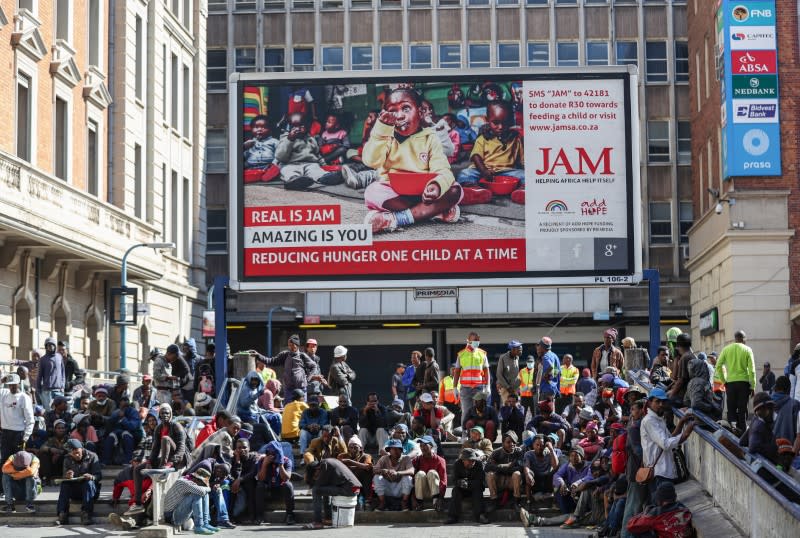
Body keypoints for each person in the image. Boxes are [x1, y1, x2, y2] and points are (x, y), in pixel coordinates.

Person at [361, 88, 462, 233]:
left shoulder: (430, 138)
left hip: (427, 193)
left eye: (406, 108)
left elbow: (442, 170)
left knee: (455, 190)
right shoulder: (386, 136)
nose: (400, 115)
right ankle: (432, 212)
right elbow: (371, 161)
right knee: (372, 192)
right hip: (397, 194)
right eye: (393, 111)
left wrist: (437, 186)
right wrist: (381, 131)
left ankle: (394, 219)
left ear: (420, 113)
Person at [456, 100, 524, 203]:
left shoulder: (515, 139)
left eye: (505, 123)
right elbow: (476, 156)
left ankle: (523, 192)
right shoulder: (483, 138)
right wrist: (484, 170)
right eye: (496, 123)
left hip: (507, 172)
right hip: (483, 171)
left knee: (525, 175)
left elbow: (523, 161)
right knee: (465, 174)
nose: (501, 127)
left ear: (511, 121)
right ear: (487, 120)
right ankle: (474, 190)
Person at [641, 388, 695, 497]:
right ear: (650, 402)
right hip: (658, 473)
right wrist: (685, 434)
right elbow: (666, 444)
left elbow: (669, 438)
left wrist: (681, 423)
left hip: (663, 471)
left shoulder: (658, 419)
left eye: (663, 402)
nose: (661, 404)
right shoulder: (649, 421)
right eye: (657, 401)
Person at [254, 335, 323, 401]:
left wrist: (308, 379)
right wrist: (258, 356)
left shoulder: (302, 356)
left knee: (301, 409)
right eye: (289, 345)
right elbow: (271, 361)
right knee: (288, 407)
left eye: (292, 345)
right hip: (289, 389)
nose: (290, 347)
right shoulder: (284, 355)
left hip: (301, 388)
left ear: (297, 345)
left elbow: (314, 366)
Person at [716, 330, 757, 434]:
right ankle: (743, 431)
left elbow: (718, 366)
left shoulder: (726, 349)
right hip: (744, 383)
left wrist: (724, 381)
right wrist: (753, 386)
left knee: (731, 408)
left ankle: (732, 429)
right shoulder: (747, 350)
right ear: (744, 339)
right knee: (743, 409)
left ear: (735, 338)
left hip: (730, 383)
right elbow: (752, 370)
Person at [304, 458, 361, 530]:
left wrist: (312, 481)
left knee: (316, 490)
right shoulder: (328, 462)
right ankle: (328, 519)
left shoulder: (325, 465)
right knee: (323, 489)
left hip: (348, 489)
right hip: (352, 488)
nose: (316, 476)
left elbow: (318, 485)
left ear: (317, 469)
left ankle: (317, 522)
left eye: (314, 474)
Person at [57, 438, 102, 525]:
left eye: (78, 452)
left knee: (88, 483)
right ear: (70, 453)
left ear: (82, 448)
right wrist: (67, 476)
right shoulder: (67, 459)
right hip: (75, 490)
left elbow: (99, 476)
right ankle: (62, 514)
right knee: (65, 484)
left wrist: (92, 477)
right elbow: (64, 476)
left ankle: (86, 514)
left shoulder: (93, 456)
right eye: (73, 454)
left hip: (90, 491)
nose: (76, 455)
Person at [626, 482, 694, 538]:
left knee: (638, 533)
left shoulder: (656, 514)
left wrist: (646, 512)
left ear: (659, 499)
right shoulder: (683, 509)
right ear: (674, 497)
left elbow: (630, 526)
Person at [453, 332, 490, 432]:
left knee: (480, 412)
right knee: (466, 412)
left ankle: (479, 433)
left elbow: (486, 371)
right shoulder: (461, 354)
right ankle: (465, 435)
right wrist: (455, 387)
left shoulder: (482, 353)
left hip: (478, 387)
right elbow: (457, 371)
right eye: (475, 340)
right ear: (468, 340)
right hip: (465, 388)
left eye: (478, 340)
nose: (477, 342)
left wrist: (488, 386)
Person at [621, 399, 647, 538]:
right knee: (633, 506)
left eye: (633, 409)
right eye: (632, 409)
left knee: (635, 506)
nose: (632, 412)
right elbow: (638, 450)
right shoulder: (634, 427)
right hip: (637, 471)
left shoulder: (636, 425)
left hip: (636, 471)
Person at [253, 440, 295, 526]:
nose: (271, 454)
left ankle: (290, 514)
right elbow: (260, 478)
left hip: (280, 489)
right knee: (259, 485)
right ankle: (259, 516)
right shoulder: (262, 461)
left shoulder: (286, 461)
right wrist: (264, 465)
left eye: (274, 452)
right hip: (268, 488)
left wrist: (280, 464)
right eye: (269, 452)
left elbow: (286, 478)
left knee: (288, 485)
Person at [163, 468, 216, 534]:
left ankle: (205, 523)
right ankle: (198, 526)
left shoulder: (188, 480)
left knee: (205, 494)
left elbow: (203, 491)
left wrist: (206, 488)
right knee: (197, 494)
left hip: (178, 512)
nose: (203, 485)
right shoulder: (185, 483)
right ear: (197, 479)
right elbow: (201, 491)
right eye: (202, 483)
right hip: (171, 517)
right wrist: (209, 488)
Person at [447, 448, 489, 525]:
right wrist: (460, 482)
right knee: (455, 491)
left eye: (473, 460)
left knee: (478, 491)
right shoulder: (457, 464)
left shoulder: (479, 464)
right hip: (462, 488)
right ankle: (453, 516)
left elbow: (481, 481)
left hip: (475, 487)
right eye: (469, 461)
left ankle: (480, 515)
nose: (472, 462)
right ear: (463, 460)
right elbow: (454, 479)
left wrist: (468, 483)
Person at [486, 431, 524, 512]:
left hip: (512, 481)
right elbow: (487, 467)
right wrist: (504, 466)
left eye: (514, 442)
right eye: (508, 442)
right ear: (503, 443)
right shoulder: (496, 452)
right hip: (500, 481)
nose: (512, 444)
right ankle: (494, 501)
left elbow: (521, 468)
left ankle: (516, 501)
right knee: (490, 475)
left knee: (517, 474)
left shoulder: (519, 452)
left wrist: (504, 469)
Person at [0, 374, 34, 465]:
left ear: (18, 384)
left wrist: (26, 437)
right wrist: (1, 381)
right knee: (4, 460)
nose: (11, 387)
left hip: (18, 434)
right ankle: (4, 479)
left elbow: (30, 419)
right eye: (10, 384)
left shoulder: (24, 398)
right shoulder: (3, 393)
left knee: (18, 461)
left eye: (14, 384)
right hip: (5, 433)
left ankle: (17, 479)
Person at [372, 438, 414, 511]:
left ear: (401, 450)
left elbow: (411, 471)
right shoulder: (384, 458)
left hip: (400, 488)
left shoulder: (406, 458)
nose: (395, 451)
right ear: (389, 450)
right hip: (387, 487)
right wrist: (383, 471)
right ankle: (382, 502)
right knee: (377, 477)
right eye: (393, 449)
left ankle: (404, 502)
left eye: (398, 449)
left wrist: (397, 473)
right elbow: (374, 470)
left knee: (408, 478)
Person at [103, 395, 142, 465]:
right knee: (111, 435)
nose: (124, 408)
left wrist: (123, 418)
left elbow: (132, 427)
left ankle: (128, 460)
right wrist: (116, 417)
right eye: (122, 406)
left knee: (125, 434)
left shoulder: (134, 412)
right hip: (119, 433)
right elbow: (110, 425)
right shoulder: (116, 412)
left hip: (134, 435)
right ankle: (106, 460)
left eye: (126, 405)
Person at [740, 392, 778, 463]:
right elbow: (752, 447)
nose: (760, 415)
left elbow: (742, 441)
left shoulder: (757, 421)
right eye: (759, 413)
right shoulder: (759, 425)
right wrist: (774, 449)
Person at [412, 435, 447, 511]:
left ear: (431, 446)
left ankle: (435, 501)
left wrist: (441, 498)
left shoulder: (440, 460)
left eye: (425, 445)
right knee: (420, 473)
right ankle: (419, 502)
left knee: (432, 472)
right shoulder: (417, 460)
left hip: (435, 490)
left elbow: (443, 481)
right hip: (422, 491)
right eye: (421, 446)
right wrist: (413, 498)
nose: (422, 448)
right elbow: (411, 479)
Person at [243, 114, 280, 183]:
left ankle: (268, 175)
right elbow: (244, 156)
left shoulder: (274, 141)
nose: (259, 129)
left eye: (263, 127)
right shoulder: (249, 142)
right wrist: (244, 147)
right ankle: (255, 176)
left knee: (279, 167)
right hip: (251, 168)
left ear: (270, 130)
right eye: (256, 127)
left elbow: (279, 154)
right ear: (251, 129)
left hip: (268, 167)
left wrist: (273, 163)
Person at [523, 435, 558, 506]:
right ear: (533, 445)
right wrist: (528, 474)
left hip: (547, 480)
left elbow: (555, 466)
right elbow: (526, 466)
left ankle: (555, 501)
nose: (539, 447)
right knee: (528, 474)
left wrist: (551, 449)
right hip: (535, 481)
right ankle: (529, 501)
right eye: (537, 445)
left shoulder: (549, 453)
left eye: (542, 445)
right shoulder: (529, 454)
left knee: (556, 474)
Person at [337, 436, 373, 506]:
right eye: (351, 447)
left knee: (367, 472)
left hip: (361, 480)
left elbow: (367, 467)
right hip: (347, 480)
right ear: (348, 448)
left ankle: (367, 498)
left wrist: (349, 461)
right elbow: (338, 467)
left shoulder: (366, 456)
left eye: (356, 447)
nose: (353, 449)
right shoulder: (342, 456)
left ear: (360, 448)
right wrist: (358, 466)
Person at [36, 337, 65, 410]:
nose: (50, 347)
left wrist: (62, 386)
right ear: (45, 347)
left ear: (55, 346)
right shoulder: (42, 359)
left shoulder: (59, 357)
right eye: (48, 345)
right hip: (47, 391)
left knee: (60, 410)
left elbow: (63, 372)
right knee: (49, 412)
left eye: (52, 345)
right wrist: (38, 389)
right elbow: (39, 375)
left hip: (58, 390)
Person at [38, 419, 70, 485]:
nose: (61, 430)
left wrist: (59, 453)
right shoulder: (52, 440)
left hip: (64, 465)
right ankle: (47, 479)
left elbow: (73, 450)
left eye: (62, 428)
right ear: (55, 429)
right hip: (53, 465)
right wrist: (51, 450)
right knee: (43, 455)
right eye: (59, 428)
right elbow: (42, 448)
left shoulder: (69, 439)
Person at [299, 391, 329, 456]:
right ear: (308, 405)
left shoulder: (323, 412)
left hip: (319, 434)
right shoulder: (305, 411)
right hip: (309, 433)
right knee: (302, 432)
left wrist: (318, 426)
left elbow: (325, 424)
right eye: (311, 405)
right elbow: (301, 424)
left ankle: (319, 453)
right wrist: (309, 427)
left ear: (318, 404)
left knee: (322, 431)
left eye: (314, 405)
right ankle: (303, 454)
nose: (313, 407)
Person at [773, 376, 800, 441]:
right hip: (789, 448)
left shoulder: (765, 404)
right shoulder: (795, 405)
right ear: (789, 389)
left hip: (769, 449)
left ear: (775, 388)